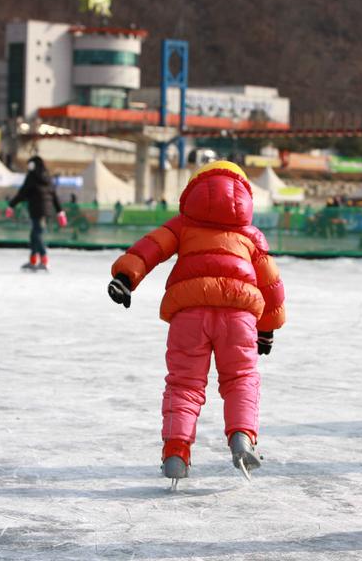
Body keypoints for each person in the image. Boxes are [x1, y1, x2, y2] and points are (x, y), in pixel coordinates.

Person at [107, 161, 285, 489]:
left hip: (189, 313)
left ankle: (176, 452)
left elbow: (150, 248)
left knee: (184, 385)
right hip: (239, 315)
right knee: (241, 378)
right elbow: (270, 283)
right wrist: (268, 327)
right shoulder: (251, 235)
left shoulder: (182, 225)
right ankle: (243, 437)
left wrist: (124, 277)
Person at [6, 156, 67, 271]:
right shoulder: (48, 177)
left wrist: (11, 205)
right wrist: (60, 212)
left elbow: (22, 192)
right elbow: (54, 195)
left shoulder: (32, 177)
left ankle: (44, 260)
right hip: (46, 210)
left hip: (36, 209)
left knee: (37, 235)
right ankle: (33, 260)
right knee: (35, 234)